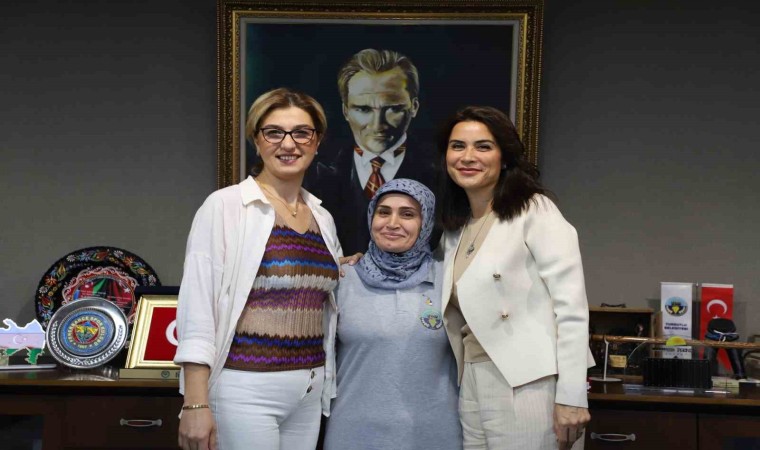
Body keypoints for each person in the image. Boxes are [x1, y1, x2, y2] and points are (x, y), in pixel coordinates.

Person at [174, 88, 343, 450]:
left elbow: (319, 290)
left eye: (302, 133)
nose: (289, 143)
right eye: (274, 132)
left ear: (317, 142)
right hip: (245, 389)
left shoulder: (322, 217)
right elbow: (198, 309)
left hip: (310, 389)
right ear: (256, 140)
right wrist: (195, 403)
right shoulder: (226, 206)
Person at [436, 106, 593, 450]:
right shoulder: (455, 228)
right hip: (472, 376)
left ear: (504, 157)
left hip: (529, 379)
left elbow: (571, 308)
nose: (468, 156)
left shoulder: (534, 209)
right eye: (457, 146)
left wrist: (572, 394)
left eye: (483, 146)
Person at [323, 178, 461, 450]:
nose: (392, 223)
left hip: (435, 435)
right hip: (352, 434)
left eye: (407, 214)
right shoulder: (341, 278)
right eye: (383, 212)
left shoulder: (449, 279)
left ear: (426, 223)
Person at [307, 48, 437, 255]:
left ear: (414, 107)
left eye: (393, 108)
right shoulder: (314, 171)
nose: (378, 125)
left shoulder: (441, 171)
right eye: (364, 109)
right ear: (345, 110)